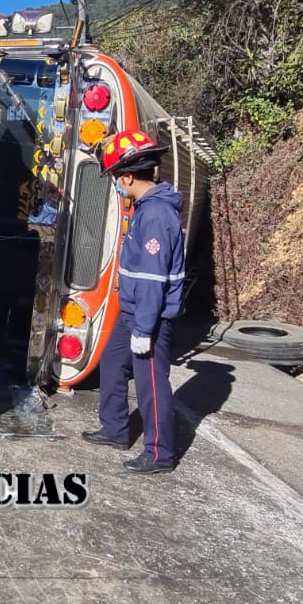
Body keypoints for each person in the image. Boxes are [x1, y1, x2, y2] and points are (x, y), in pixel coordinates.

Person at [84, 129, 185, 474]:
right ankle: (114, 429)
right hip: (132, 313)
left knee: (150, 385)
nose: (116, 184)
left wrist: (144, 327)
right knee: (112, 366)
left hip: (149, 318)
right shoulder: (146, 209)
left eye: (116, 178)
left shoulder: (156, 215)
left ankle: (160, 454)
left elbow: (153, 279)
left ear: (127, 176)